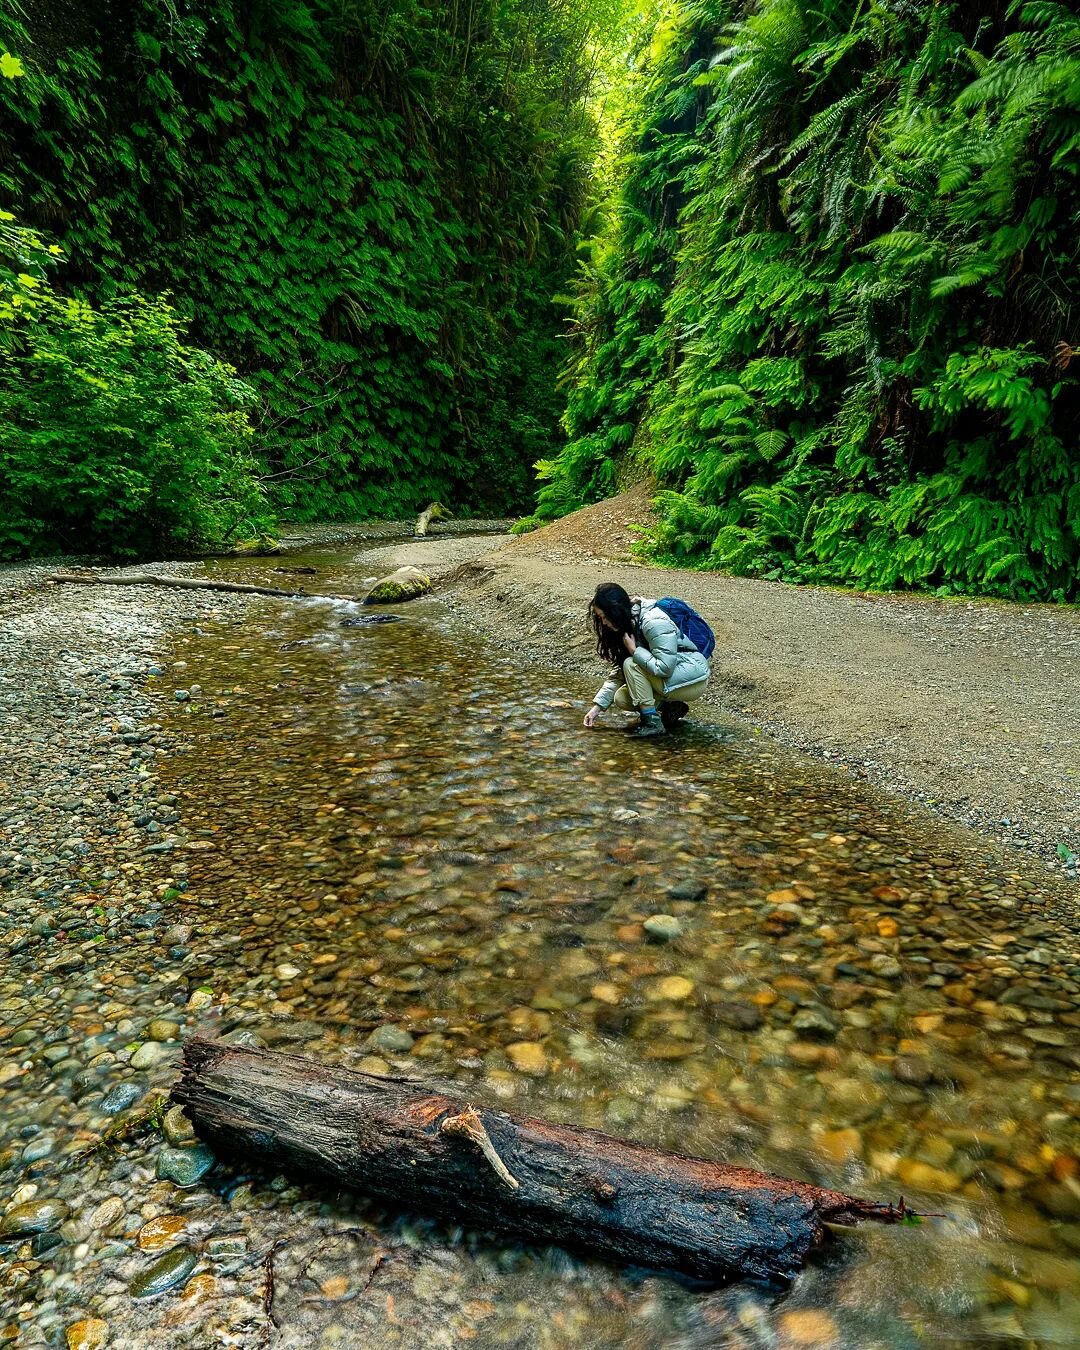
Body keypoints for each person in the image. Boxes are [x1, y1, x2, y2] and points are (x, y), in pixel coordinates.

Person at [582, 582, 710, 737]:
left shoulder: (653, 622)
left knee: (631, 664)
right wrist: (597, 708)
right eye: (600, 618)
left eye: (604, 617)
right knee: (622, 698)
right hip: (670, 679)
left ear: (615, 611)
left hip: (692, 678)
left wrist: (635, 651)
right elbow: (620, 672)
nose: (604, 623)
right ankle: (670, 707)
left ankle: (651, 724)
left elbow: (664, 668)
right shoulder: (628, 624)